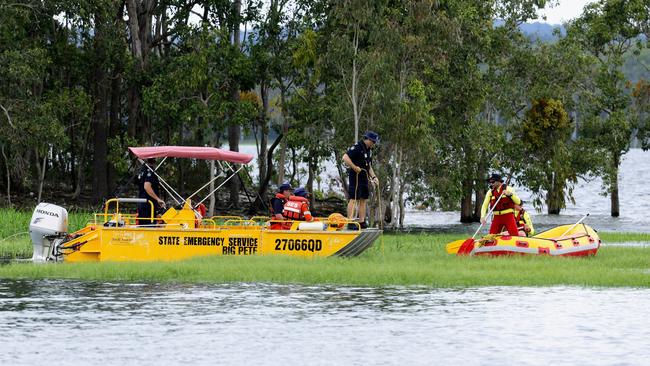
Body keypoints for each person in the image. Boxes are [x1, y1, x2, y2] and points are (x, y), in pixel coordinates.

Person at [342, 131, 379, 229]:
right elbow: (345, 157)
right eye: (373, 142)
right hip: (355, 177)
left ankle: (361, 222)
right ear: (367, 139)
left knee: (363, 199)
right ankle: (350, 221)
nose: (373, 144)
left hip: (364, 177)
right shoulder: (357, 147)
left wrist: (374, 177)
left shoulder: (369, 150)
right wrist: (354, 167)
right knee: (354, 199)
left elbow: (369, 166)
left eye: (374, 142)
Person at [137, 159, 166, 225]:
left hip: (143, 202)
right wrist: (158, 199)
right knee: (148, 225)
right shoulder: (150, 171)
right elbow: (147, 186)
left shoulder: (142, 171)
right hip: (148, 204)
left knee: (143, 225)